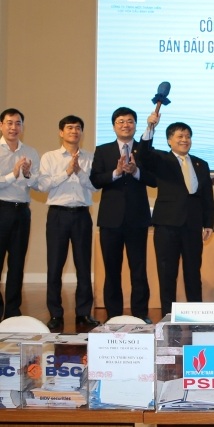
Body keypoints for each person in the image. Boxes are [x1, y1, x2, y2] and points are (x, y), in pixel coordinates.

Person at [137, 110, 214, 316]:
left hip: (193, 226)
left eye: (188, 136)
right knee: (167, 274)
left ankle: (196, 315)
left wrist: (208, 222)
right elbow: (142, 154)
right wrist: (150, 127)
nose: (185, 140)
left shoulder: (201, 164)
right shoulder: (161, 159)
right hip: (167, 225)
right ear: (169, 140)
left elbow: (207, 196)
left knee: (193, 273)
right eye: (180, 136)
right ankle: (168, 317)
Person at [90, 107, 157, 322]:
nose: (125, 125)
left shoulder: (144, 150)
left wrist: (135, 172)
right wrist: (116, 173)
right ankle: (114, 315)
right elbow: (95, 181)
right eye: (120, 121)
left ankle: (140, 314)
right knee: (112, 270)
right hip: (110, 220)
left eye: (130, 121)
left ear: (135, 125)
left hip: (137, 218)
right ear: (113, 126)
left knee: (139, 269)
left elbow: (154, 180)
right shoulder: (103, 150)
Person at [0, 108, 41, 328]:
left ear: (22, 126)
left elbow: (38, 185)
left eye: (18, 123)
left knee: (17, 264)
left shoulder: (30, 152)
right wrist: (12, 175)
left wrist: (27, 174)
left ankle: (13, 310)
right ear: (1, 125)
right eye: (9, 123)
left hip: (22, 211)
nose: (14, 127)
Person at [37, 116, 100, 330]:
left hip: (82, 214)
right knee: (55, 266)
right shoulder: (50, 157)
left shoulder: (90, 158)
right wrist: (67, 172)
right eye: (70, 127)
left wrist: (79, 172)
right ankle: (55, 314)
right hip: (58, 214)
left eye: (78, 128)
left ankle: (83, 313)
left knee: (83, 265)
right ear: (61, 132)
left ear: (82, 132)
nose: (74, 131)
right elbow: (42, 185)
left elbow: (95, 187)